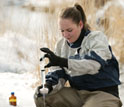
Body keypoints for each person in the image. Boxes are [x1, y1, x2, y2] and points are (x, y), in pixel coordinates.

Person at [34, 3, 122, 107]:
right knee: (42, 97)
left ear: (80, 24)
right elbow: (57, 73)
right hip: (77, 94)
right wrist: (48, 85)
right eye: (62, 31)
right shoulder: (61, 45)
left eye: (69, 30)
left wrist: (64, 62)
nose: (65, 35)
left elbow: (93, 64)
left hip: (103, 94)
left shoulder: (96, 38)